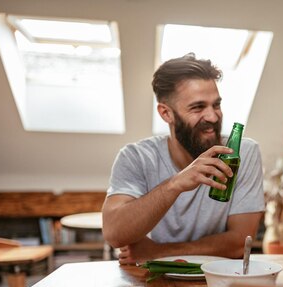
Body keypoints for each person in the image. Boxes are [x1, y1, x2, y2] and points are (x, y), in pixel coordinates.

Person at [103, 54, 264, 264]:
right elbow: (115, 233)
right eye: (198, 107)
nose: (213, 117)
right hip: (152, 279)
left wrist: (159, 252)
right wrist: (174, 185)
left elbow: (240, 242)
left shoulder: (243, 152)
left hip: (215, 277)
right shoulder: (136, 157)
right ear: (166, 113)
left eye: (216, 105)